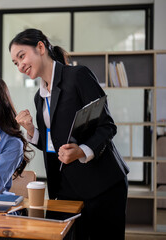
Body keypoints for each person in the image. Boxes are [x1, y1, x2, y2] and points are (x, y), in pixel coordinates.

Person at [9, 28, 129, 239]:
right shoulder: (40, 96)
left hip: (102, 186)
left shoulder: (77, 76)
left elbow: (107, 126)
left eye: (22, 56)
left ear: (40, 47)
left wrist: (81, 151)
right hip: (66, 189)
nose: (20, 66)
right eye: (16, 63)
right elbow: (53, 142)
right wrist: (31, 131)